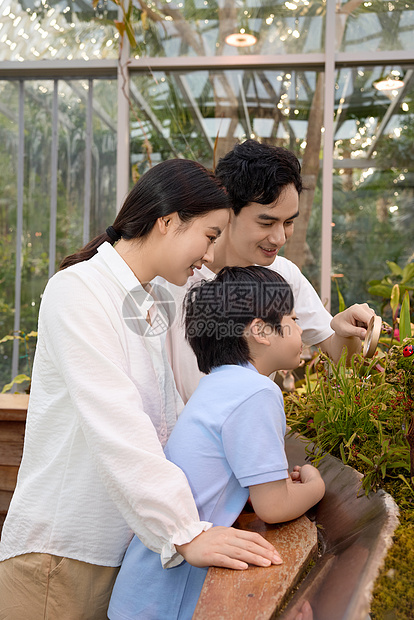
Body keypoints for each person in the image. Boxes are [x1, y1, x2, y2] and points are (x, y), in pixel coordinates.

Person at [0, 160, 281, 620]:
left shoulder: (157, 295)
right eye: (210, 236)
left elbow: (195, 402)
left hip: (124, 545)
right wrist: (185, 531)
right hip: (61, 556)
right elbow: (118, 423)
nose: (210, 256)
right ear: (168, 222)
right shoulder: (78, 291)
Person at [108, 265, 326, 620]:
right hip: (169, 598)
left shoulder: (217, 385)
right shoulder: (256, 391)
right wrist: (316, 486)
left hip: (142, 591)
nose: (302, 330)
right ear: (261, 331)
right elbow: (273, 505)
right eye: (294, 318)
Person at [165, 139, 376, 403]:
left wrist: (344, 331)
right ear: (227, 210)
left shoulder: (283, 276)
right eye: (267, 222)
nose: (279, 238)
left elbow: (341, 355)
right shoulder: (176, 276)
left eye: (289, 222)